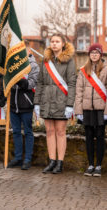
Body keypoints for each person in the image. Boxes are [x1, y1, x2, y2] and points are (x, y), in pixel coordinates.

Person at [35, 34, 76, 174]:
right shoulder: (45, 60)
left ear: (63, 44)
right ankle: (52, 161)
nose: (54, 44)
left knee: (60, 132)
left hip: (61, 102)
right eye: (52, 41)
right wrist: (37, 102)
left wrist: (70, 104)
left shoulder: (69, 61)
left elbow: (72, 84)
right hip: (46, 101)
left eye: (57, 41)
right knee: (49, 132)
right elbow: (40, 82)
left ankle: (60, 163)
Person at [74, 44, 107, 177]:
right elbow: (78, 91)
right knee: (89, 138)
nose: (94, 55)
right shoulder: (83, 71)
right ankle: (90, 164)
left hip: (101, 110)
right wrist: (78, 110)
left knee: (100, 137)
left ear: (101, 55)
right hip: (87, 109)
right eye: (92, 53)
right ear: (89, 55)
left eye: (97, 53)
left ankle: (99, 165)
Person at [7, 40, 40, 170]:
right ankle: (18, 157)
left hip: (26, 103)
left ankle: (27, 159)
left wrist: (19, 78)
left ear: (29, 51)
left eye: (23, 51)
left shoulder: (33, 66)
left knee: (27, 132)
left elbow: (31, 83)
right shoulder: (12, 64)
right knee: (15, 131)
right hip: (13, 104)